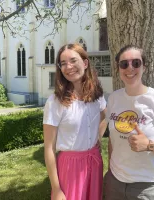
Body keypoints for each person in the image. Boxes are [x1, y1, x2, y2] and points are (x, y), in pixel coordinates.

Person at [104, 45, 154, 200]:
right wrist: (110, 170)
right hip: (115, 182)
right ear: (119, 68)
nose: (130, 68)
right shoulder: (113, 98)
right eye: (124, 64)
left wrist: (149, 145)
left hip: (147, 186)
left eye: (136, 63)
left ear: (144, 67)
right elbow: (112, 140)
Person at [43, 43, 107, 200]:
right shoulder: (55, 102)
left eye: (73, 60)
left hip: (94, 162)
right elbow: (49, 149)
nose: (68, 67)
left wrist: (97, 137)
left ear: (85, 63)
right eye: (63, 63)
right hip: (69, 167)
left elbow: (104, 116)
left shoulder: (97, 95)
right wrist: (56, 189)